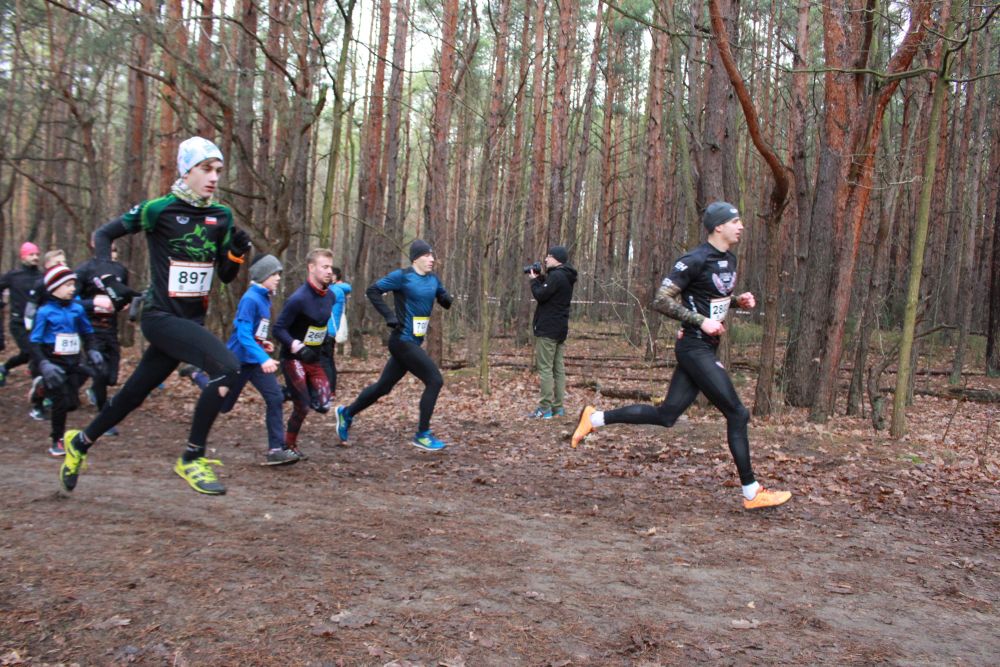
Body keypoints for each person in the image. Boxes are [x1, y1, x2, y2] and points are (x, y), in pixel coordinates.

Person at [59, 136, 253, 496]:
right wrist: (107, 278)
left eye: (218, 170)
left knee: (133, 395)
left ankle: (80, 442)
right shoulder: (157, 210)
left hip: (190, 321)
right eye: (205, 169)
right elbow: (103, 234)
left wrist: (237, 255)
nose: (213, 177)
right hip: (160, 316)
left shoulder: (221, 216)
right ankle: (191, 457)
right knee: (228, 368)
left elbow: (225, 276)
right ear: (186, 170)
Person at [571, 202, 792, 510]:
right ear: (718, 226)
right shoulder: (693, 260)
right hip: (693, 347)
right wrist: (701, 322)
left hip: (705, 346)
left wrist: (737, 302)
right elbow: (660, 300)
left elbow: (710, 298)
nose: (741, 226)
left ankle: (594, 418)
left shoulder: (729, 258)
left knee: (667, 415)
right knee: (738, 413)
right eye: (735, 221)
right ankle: (752, 492)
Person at [335, 239, 454, 451]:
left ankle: (347, 413)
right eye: (427, 255)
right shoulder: (402, 276)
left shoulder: (433, 279)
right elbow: (373, 291)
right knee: (435, 380)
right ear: (416, 258)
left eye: (432, 255)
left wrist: (445, 298)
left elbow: (441, 297)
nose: (432, 259)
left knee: (383, 387)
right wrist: (389, 315)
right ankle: (422, 434)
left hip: (414, 342)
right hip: (402, 341)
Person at [220, 254, 299, 465]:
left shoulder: (265, 297)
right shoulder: (250, 299)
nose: (278, 278)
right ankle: (197, 375)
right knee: (223, 405)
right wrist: (264, 358)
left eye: (279, 274)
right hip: (237, 361)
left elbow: (254, 333)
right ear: (263, 275)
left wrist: (262, 344)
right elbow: (243, 333)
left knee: (275, 398)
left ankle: (276, 449)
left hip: (254, 361)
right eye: (274, 274)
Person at [29, 265, 104, 457]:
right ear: (54, 288)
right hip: (52, 360)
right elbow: (34, 343)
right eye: (68, 285)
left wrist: (93, 350)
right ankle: (57, 440)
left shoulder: (77, 309)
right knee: (61, 401)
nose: (73, 288)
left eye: (73, 284)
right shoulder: (44, 312)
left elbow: (87, 333)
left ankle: (42, 388)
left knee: (72, 403)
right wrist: (44, 364)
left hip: (74, 360)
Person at [273, 248, 336, 460]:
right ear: (311, 268)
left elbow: (319, 325)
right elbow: (278, 329)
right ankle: (289, 445)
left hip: (315, 359)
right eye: (324, 267)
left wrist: (325, 341)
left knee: (324, 405)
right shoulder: (298, 299)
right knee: (303, 405)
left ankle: (284, 393)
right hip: (294, 358)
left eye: (330, 267)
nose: (329, 271)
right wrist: (297, 346)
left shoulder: (331, 296)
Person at [74, 240, 130, 432]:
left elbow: (123, 296)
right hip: (91, 329)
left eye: (115, 249)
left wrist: (124, 304)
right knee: (100, 372)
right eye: (109, 249)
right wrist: (94, 303)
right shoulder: (84, 270)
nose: (112, 253)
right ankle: (103, 418)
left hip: (111, 329)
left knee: (111, 377)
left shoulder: (120, 270)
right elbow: (71, 301)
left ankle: (78, 380)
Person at [528, 245, 577, 418]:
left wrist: (534, 281)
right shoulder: (566, 276)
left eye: (549, 256)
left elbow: (541, 295)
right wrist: (541, 278)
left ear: (557, 259)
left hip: (548, 328)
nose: (546, 259)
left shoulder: (556, 276)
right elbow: (550, 292)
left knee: (545, 369)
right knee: (558, 369)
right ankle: (558, 407)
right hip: (560, 328)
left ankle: (545, 408)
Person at [0, 242, 42, 386]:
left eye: (37, 254)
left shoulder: (41, 276)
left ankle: (5, 367)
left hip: (36, 322)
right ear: (23, 257)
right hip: (18, 323)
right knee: (30, 352)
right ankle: (39, 388)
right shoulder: (13, 275)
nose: (35, 257)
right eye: (31, 254)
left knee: (30, 354)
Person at [320, 266, 352, 395]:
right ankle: (331, 390)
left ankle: (328, 391)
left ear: (335, 277)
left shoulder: (334, 290)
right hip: (330, 331)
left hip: (328, 330)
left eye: (330, 274)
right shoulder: (338, 289)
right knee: (329, 360)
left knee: (325, 362)